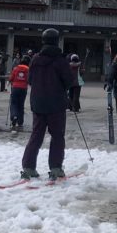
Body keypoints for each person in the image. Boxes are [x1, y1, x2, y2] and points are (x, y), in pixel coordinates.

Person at [20, 28, 73, 179]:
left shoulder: (35, 59)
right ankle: (55, 168)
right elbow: (69, 82)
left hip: (38, 103)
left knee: (36, 135)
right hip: (56, 104)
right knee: (57, 136)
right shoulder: (61, 61)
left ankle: (28, 167)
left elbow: (30, 80)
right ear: (57, 41)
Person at [9, 54, 30, 130]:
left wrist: (11, 81)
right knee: (21, 105)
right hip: (23, 88)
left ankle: (14, 116)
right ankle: (20, 122)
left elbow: (11, 78)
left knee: (14, 103)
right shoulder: (28, 69)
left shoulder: (16, 68)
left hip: (15, 88)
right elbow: (29, 80)